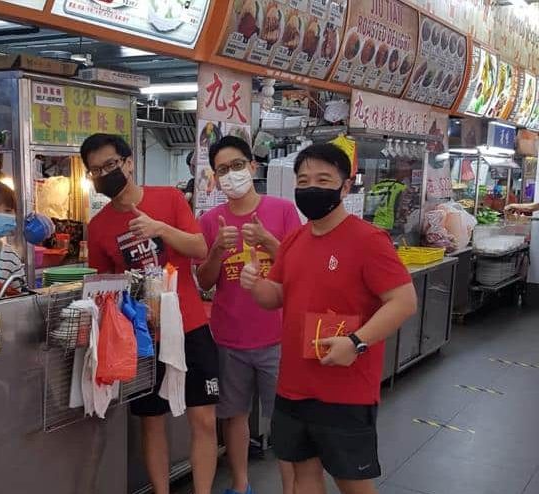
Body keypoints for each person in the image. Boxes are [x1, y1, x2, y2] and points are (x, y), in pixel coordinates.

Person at [240, 143, 417, 494]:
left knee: (352, 481)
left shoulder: (368, 240)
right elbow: (275, 296)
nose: (311, 188)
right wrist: (254, 285)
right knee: (304, 473)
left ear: (346, 186)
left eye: (323, 179)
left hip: (345, 388)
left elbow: (403, 300)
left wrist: (356, 342)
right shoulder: (294, 240)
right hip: (293, 384)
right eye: (303, 180)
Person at [81, 133, 219, 494]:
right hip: (142, 338)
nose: (103, 174)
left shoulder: (169, 199)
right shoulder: (98, 227)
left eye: (109, 165)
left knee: (203, 418)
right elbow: (103, 287)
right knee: (151, 421)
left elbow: (201, 247)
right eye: (94, 171)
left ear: (128, 163)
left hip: (190, 326)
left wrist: (160, 228)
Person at [196, 136, 300, 494]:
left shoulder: (283, 210)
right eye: (223, 170)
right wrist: (214, 253)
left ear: (253, 167)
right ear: (215, 177)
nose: (232, 175)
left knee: (286, 421)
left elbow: (300, 266)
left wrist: (269, 240)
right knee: (234, 417)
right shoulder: (211, 220)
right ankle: (240, 485)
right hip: (229, 337)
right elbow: (205, 281)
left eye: (237, 166)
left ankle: (291, 488)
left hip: (277, 336)